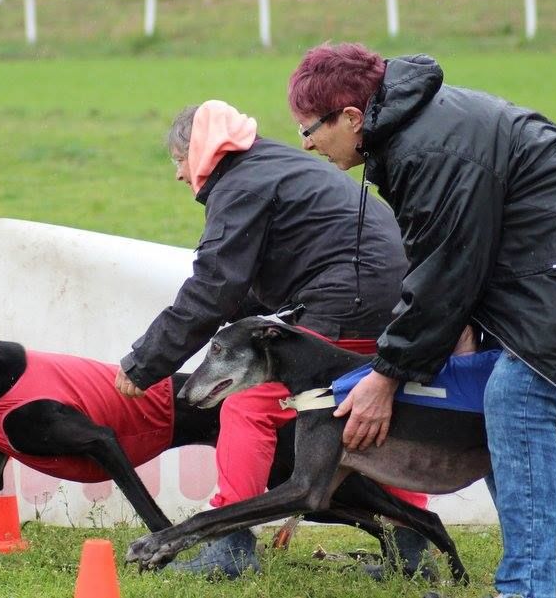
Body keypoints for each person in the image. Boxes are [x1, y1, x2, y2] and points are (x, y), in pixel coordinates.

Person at [286, 44, 556, 598]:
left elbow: (445, 273)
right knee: (502, 401)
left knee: (515, 399)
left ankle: (529, 587)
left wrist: (386, 377)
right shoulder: (407, 133)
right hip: (540, 259)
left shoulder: (425, 148)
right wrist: (449, 338)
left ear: (352, 117)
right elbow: (444, 260)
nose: (306, 142)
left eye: (309, 128)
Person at [114, 99, 430, 579]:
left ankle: (229, 547)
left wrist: (143, 363)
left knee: (248, 405)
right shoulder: (275, 165)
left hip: (349, 298)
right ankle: (413, 551)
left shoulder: (241, 183)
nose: (179, 175)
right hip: (396, 300)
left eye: (178, 161)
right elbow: (243, 289)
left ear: (198, 150)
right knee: (376, 412)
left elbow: (213, 289)